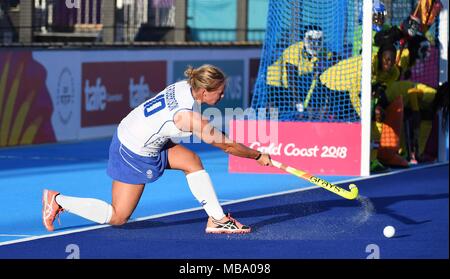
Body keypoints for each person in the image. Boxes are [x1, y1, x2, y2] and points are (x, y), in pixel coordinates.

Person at [42, 64, 272, 234]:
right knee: (119, 216)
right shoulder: (188, 117)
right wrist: (258, 155)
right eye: (219, 92)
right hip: (133, 150)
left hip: (140, 133)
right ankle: (59, 201)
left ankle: (217, 219)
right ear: (204, 92)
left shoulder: (184, 87)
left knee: (191, 162)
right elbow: (228, 146)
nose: (222, 95)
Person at [266, 25, 340, 120]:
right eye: (311, 39)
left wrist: (329, 64)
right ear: (304, 39)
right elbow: (291, 79)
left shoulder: (322, 51)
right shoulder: (293, 51)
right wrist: (298, 102)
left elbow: (334, 57)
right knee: (275, 109)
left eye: (319, 40)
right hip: (275, 81)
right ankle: (272, 126)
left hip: (300, 79)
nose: (315, 44)